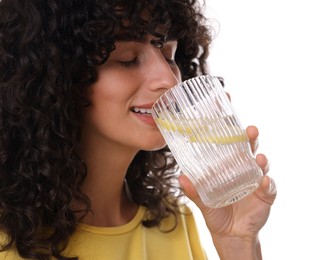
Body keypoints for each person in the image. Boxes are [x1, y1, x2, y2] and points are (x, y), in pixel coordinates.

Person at [0, 0, 277, 259]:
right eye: (127, 59)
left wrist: (238, 242)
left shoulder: (173, 220)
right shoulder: (8, 241)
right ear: (56, 79)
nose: (168, 79)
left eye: (169, 55)